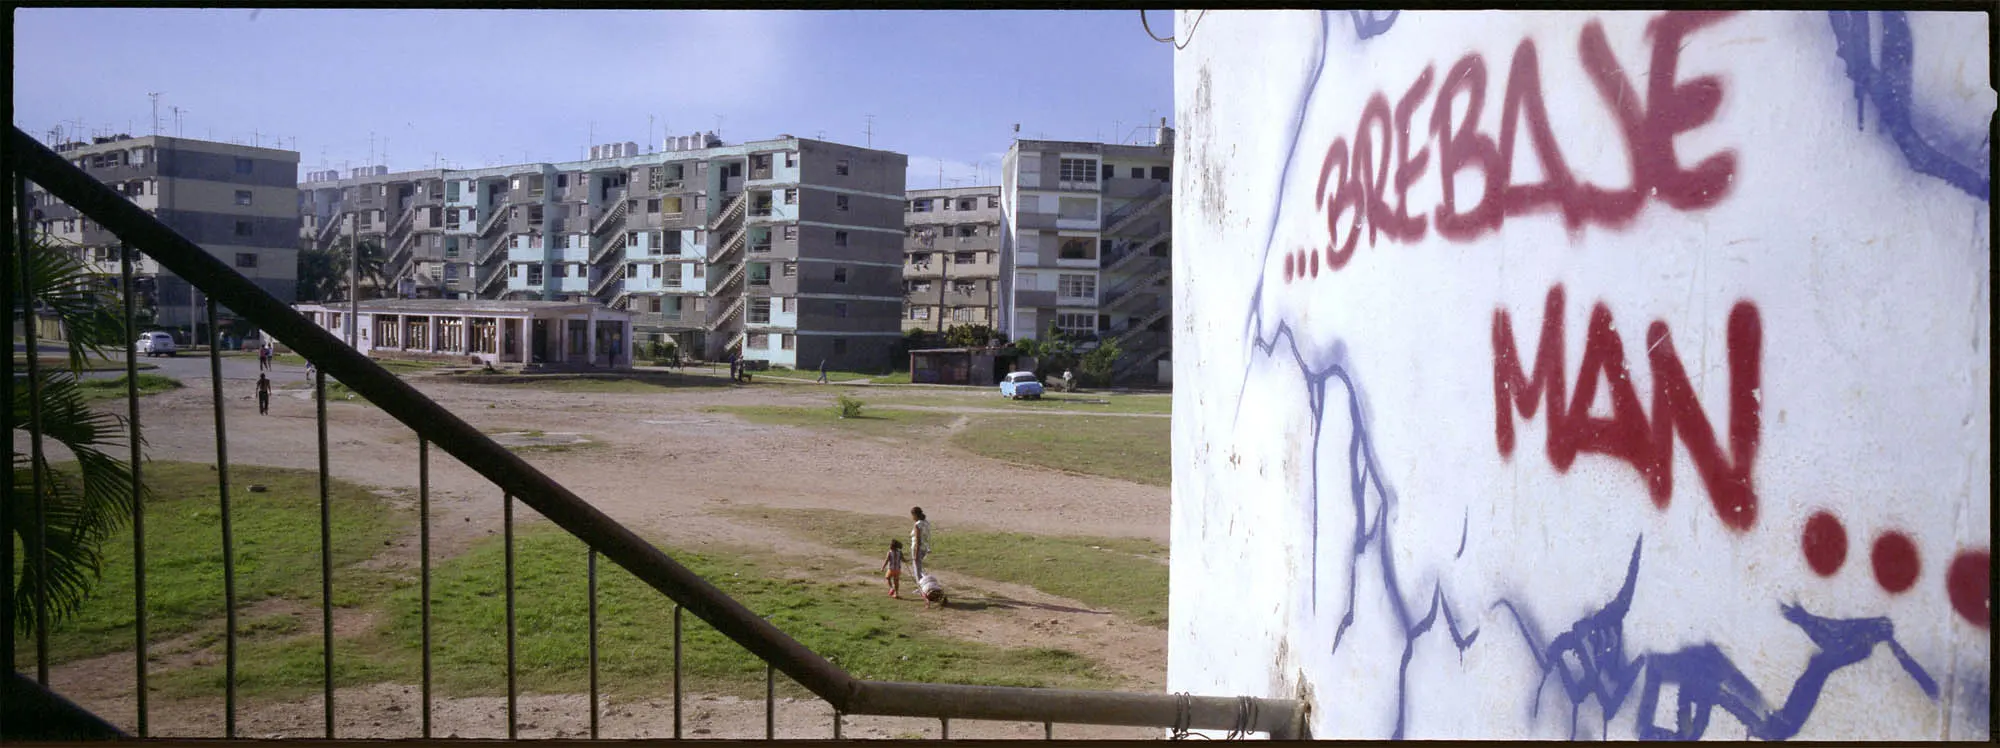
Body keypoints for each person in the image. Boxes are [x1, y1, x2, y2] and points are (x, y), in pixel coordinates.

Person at [909, 507, 933, 579]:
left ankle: (920, 585)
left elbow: (917, 539)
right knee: (920, 567)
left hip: (918, 548)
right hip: (925, 547)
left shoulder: (917, 524)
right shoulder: (926, 523)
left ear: (915, 515)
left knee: (917, 568)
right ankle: (924, 582)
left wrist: (916, 553)